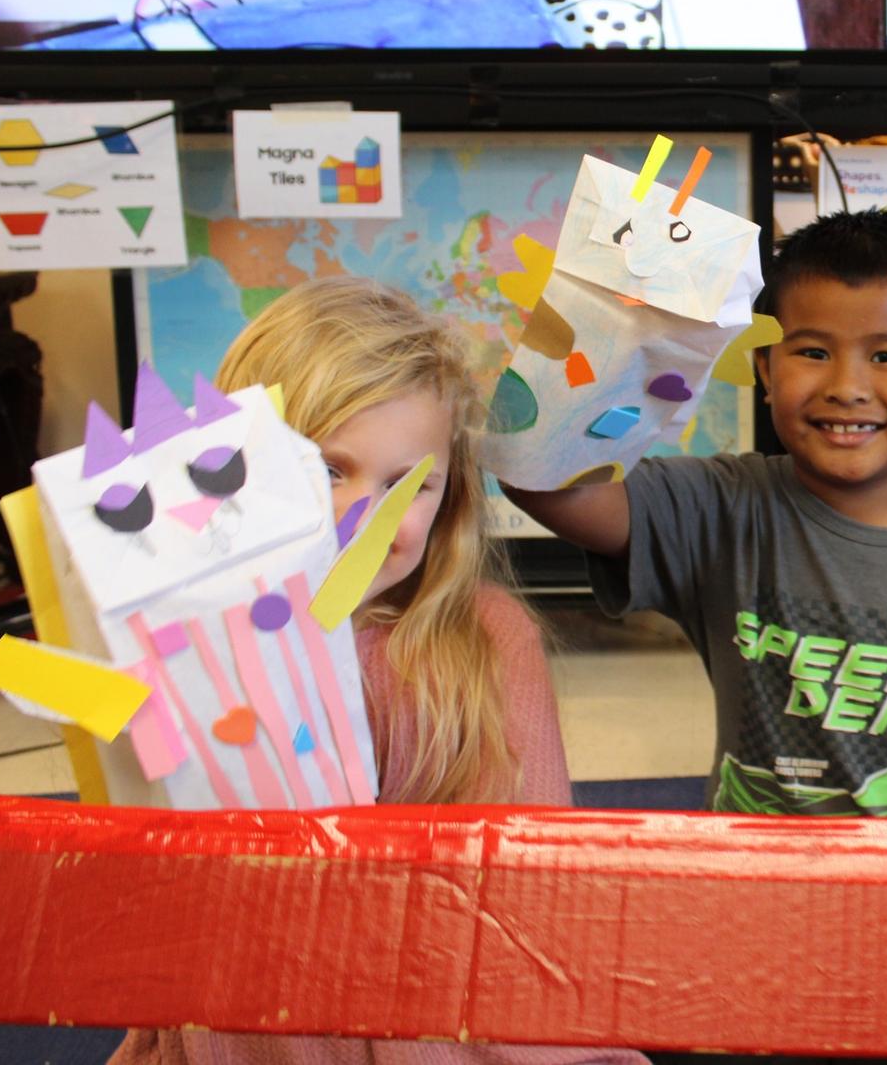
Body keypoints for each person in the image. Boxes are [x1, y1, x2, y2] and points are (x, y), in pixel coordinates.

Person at [112, 276, 644, 1065]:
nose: (364, 516)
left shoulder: (484, 642)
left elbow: (527, 909)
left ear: (448, 500)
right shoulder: (186, 646)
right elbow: (150, 905)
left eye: (407, 485)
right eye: (329, 470)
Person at [507, 210, 887, 817]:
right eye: (814, 352)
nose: (847, 386)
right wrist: (610, 313)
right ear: (766, 368)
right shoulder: (721, 510)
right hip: (756, 871)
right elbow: (540, 478)